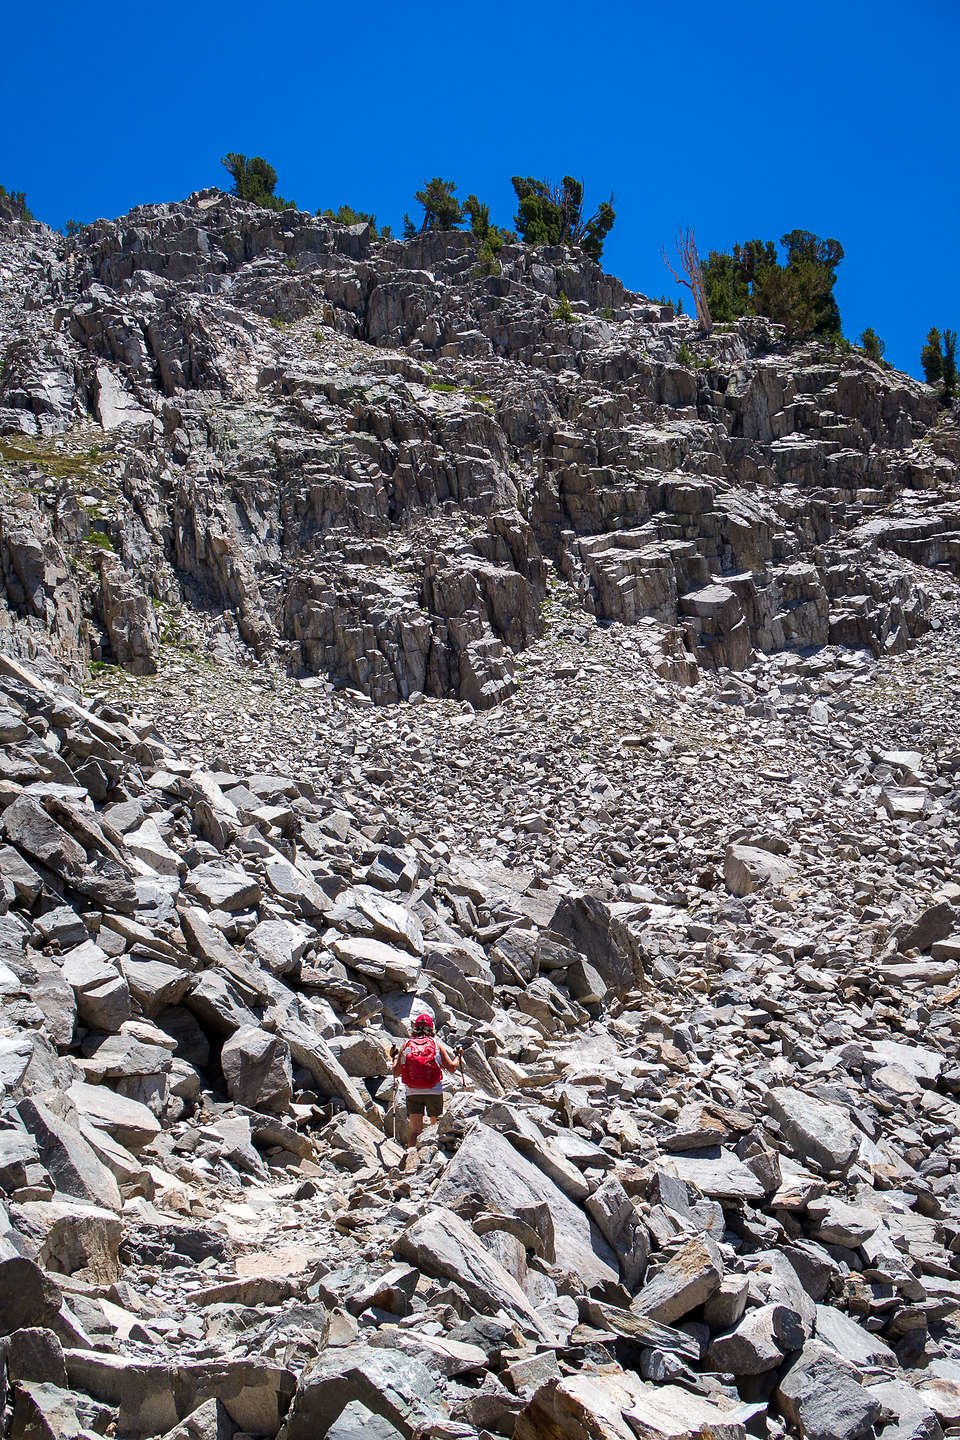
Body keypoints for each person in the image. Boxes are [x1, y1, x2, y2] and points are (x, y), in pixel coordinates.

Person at [392, 1013, 461, 1153]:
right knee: (434, 1128)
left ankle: (409, 1158)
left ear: (415, 1028)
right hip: (433, 1090)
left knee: (415, 1130)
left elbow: (396, 1073)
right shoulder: (435, 1044)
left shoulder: (406, 1045)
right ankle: (432, 1156)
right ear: (431, 1028)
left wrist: (393, 1057)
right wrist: (459, 1056)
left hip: (412, 1091)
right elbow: (452, 1068)